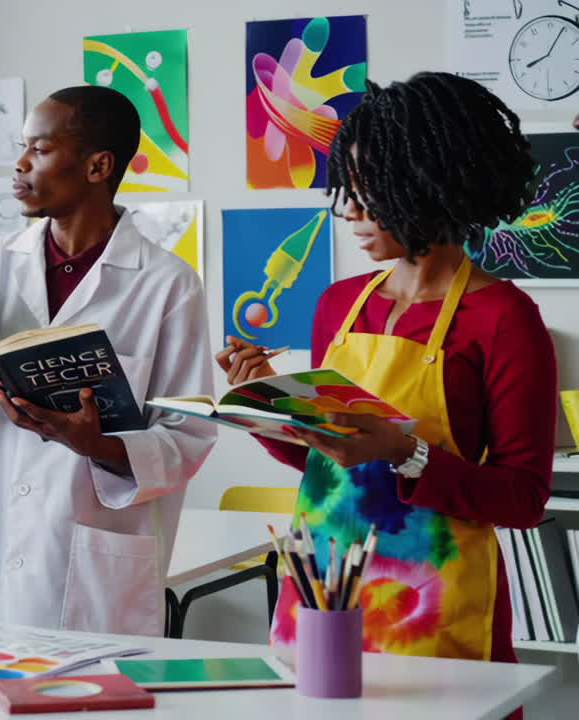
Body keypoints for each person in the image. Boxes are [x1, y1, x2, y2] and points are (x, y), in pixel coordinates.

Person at [217, 72, 555, 683]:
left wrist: (409, 453)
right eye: (347, 185)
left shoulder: (504, 318)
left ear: (432, 182)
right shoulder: (339, 304)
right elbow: (331, 461)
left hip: (432, 595)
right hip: (323, 583)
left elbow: (524, 499)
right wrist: (265, 404)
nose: (349, 209)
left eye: (369, 188)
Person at [0, 86, 217, 637]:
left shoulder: (167, 285)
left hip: (95, 567)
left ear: (98, 165)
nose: (20, 164)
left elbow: (188, 436)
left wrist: (93, 443)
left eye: (40, 149)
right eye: (21, 147)